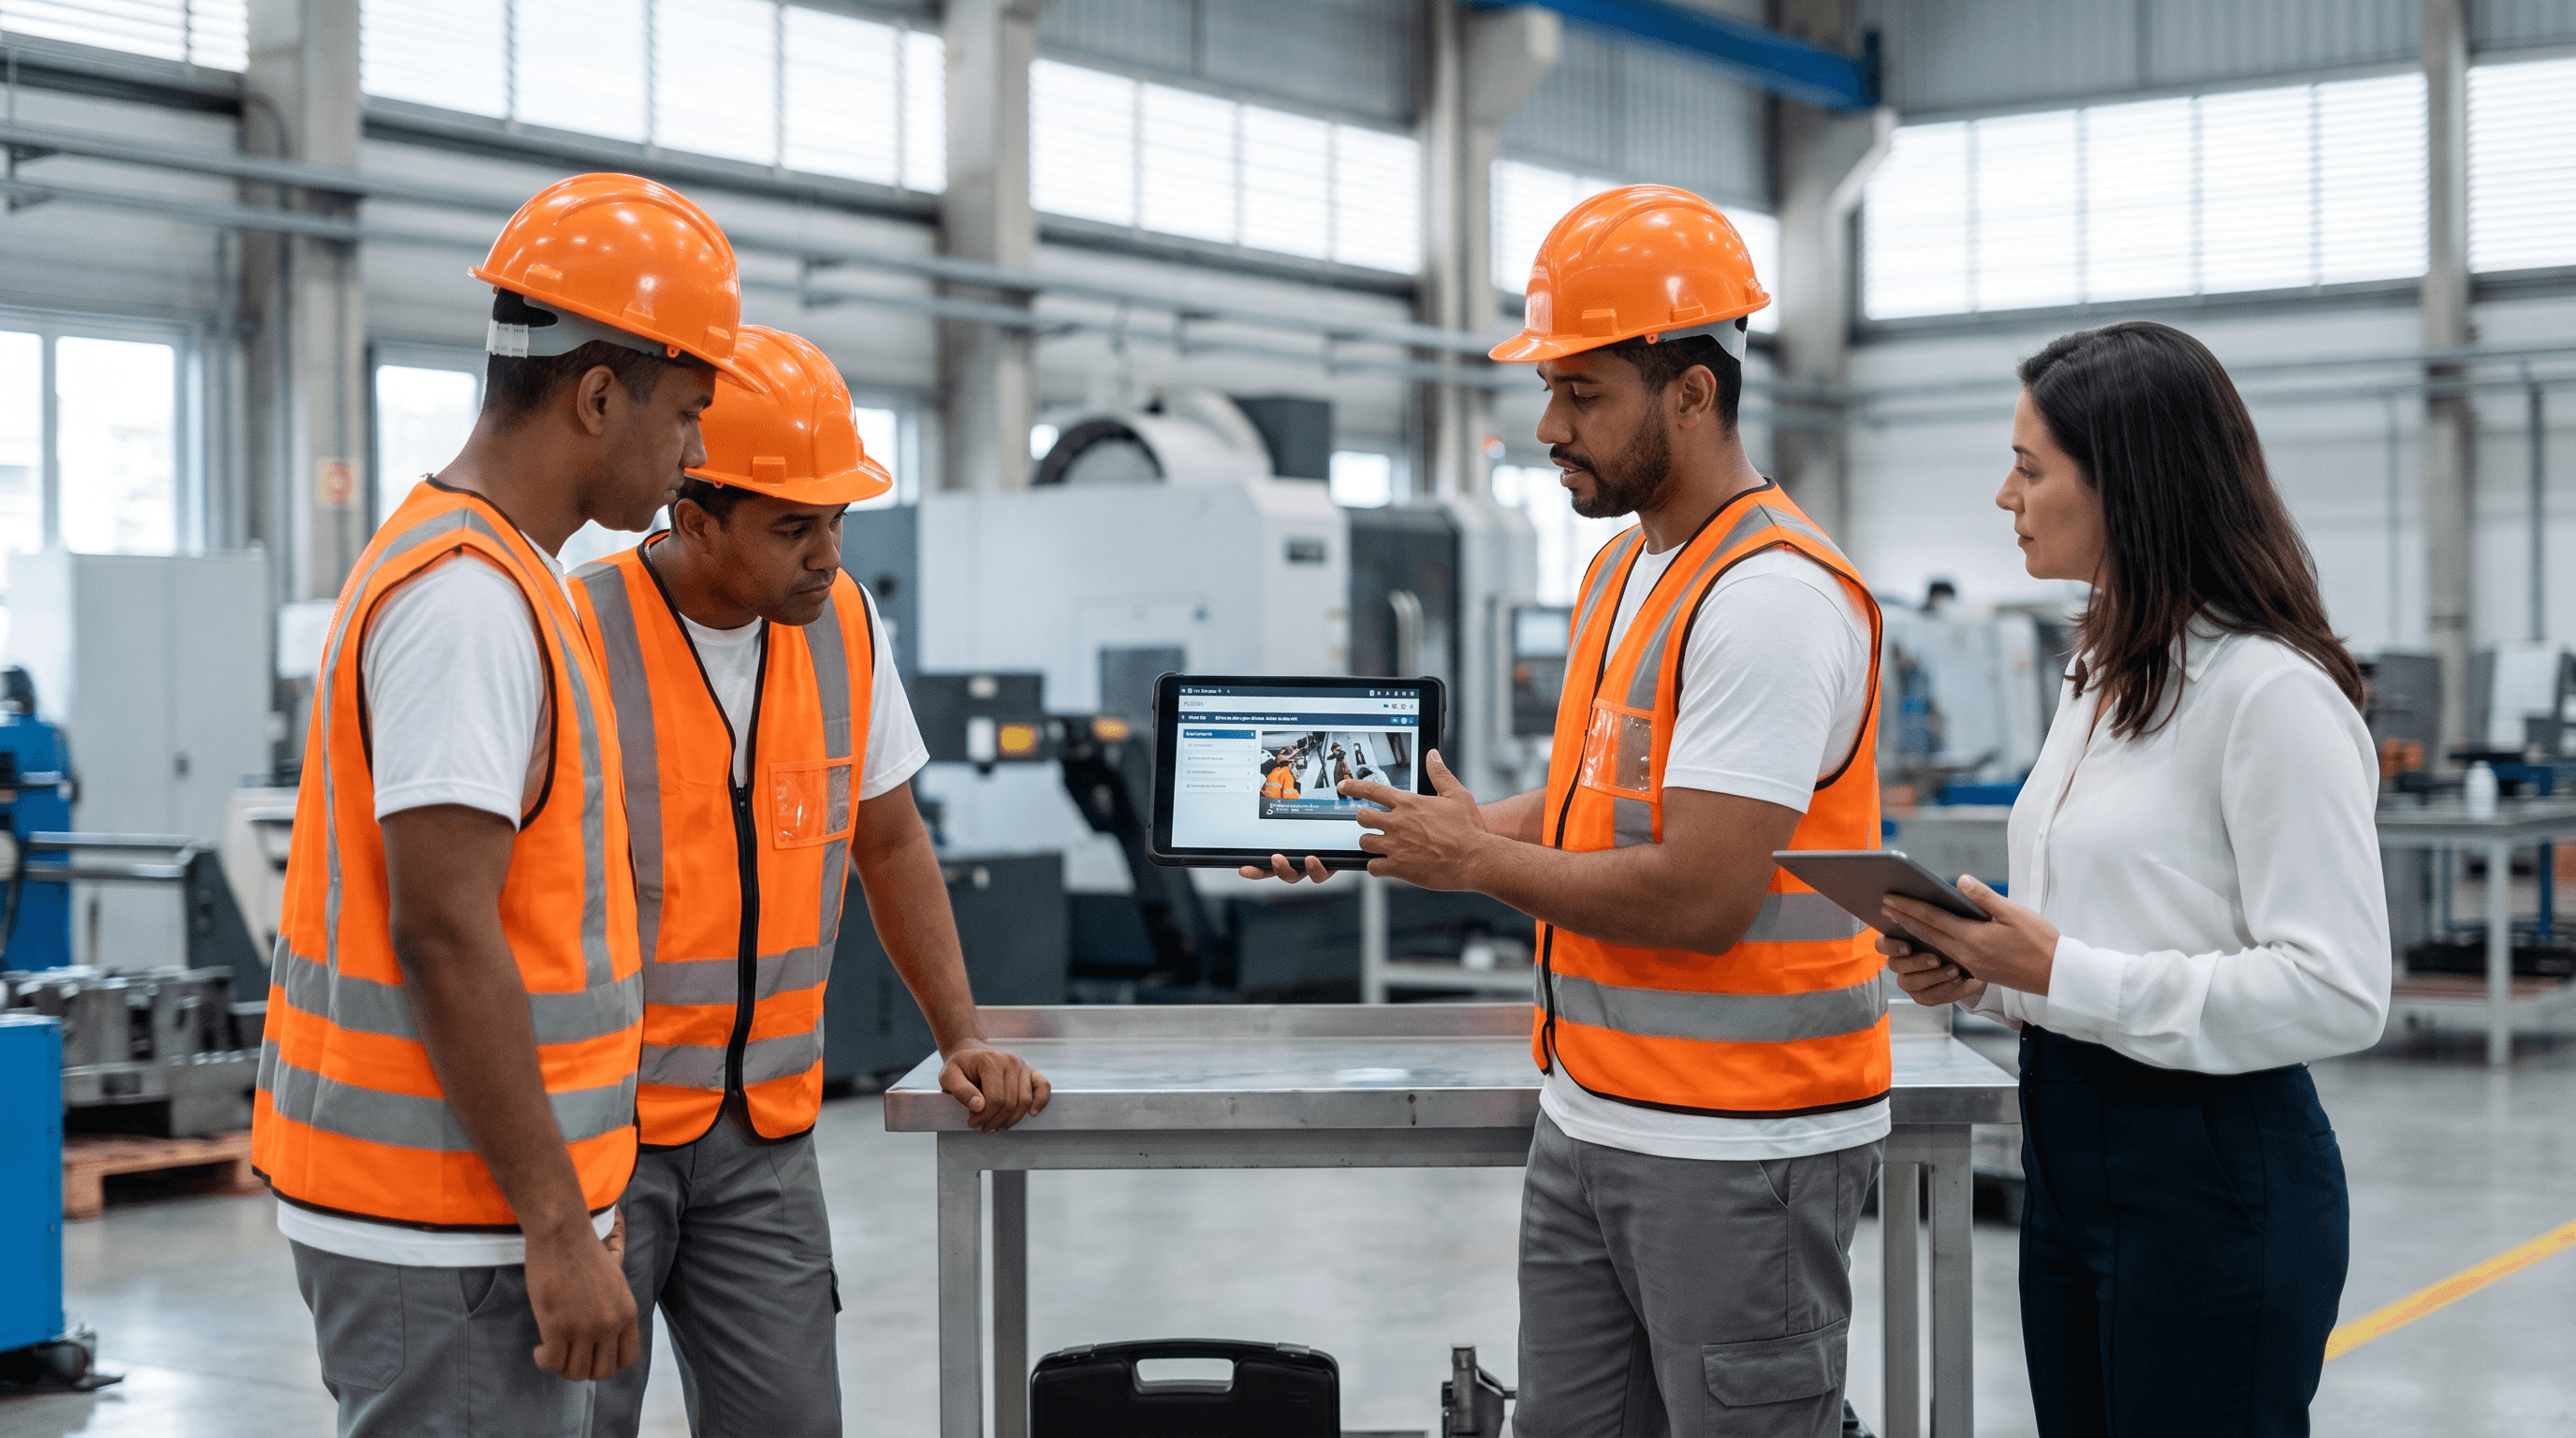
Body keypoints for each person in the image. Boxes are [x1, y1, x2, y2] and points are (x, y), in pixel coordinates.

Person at [1249, 184, 1887, 1438]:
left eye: (1582, 392)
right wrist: (1413, 830)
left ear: (1693, 394)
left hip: (1736, 1147)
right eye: (1550, 390)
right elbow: (1588, 803)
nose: (1548, 426)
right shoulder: (1628, 565)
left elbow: (1701, 896)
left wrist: (1473, 861)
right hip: (1595, 1116)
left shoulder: (1770, 598)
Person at [254, 173, 753, 1436]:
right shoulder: (472, 602)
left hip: (462, 1213)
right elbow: (444, 927)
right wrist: (554, 1227)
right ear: (597, 394)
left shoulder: (499, 576)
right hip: (446, 1231)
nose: (694, 453)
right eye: (687, 411)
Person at [1881, 320, 2390, 1437]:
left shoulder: (2268, 695)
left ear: (2129, 486)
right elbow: (2117, 931)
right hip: (2066, 1145)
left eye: (2029, 468)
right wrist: (1987, 975)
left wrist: (2060, 971)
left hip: (2210, 1167)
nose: (2003, 497)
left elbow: (2340, 989)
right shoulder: (2101, 677)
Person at [569, 326, 1049, 1437]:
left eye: (836, 522)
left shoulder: (845, 629)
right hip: (604, 1136)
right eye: (794, 527)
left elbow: (889, 844)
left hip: (764, 1139)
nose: (827, 556)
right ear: (692, 516)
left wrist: (960, 1033)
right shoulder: (577, 632)